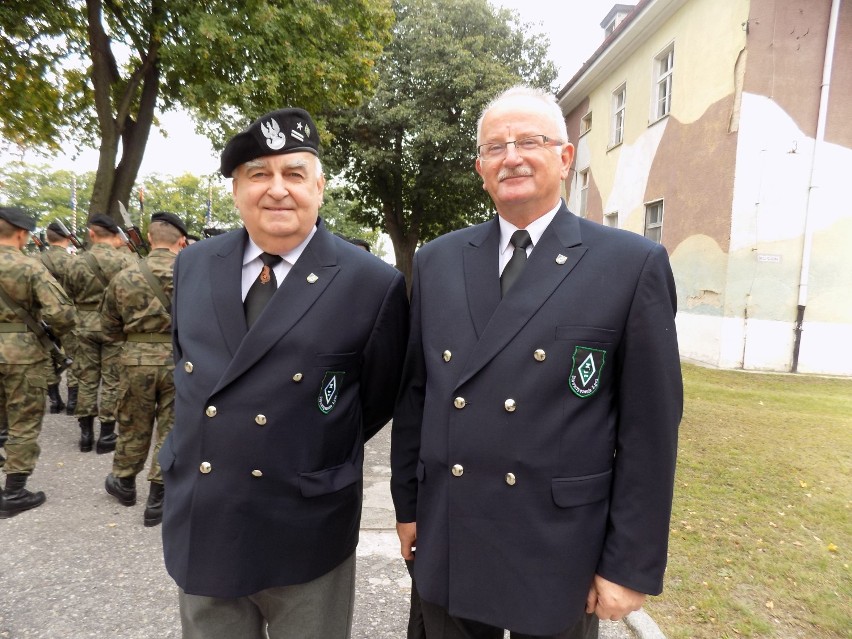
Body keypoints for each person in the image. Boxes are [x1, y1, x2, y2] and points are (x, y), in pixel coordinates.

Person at [390, 85, 683, 639]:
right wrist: (408, 506)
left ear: (565, 157)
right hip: (452, 531)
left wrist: (627, 564)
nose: (512, 157)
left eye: (529, 141)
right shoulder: (438, 261)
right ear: (480, 168)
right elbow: (417, 396)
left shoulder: (631, 264)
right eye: (495, 147)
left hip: (557, 546)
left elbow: (650, 430)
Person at [160, 107, 409, 638]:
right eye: (259, 174)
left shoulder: (371, 283)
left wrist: (302, 442)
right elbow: (189, 366)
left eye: (294, 174)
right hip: (207, 513)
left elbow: (376, 399)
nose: (277, 190)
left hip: (306, 524)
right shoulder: (194, 264)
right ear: (235, 190)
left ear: (319, 187)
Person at [101, 211, 188, 526]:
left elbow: (108, 325)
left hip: (135, 358)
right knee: (172, 426)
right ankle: (158, 497)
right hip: (179, 359)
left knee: (133, 422)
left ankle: (124, 483)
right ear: (181, 240)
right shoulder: (189, 274)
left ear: (150, 238)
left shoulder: (125, 275)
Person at [0, 207, 77, 518]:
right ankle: (14, 491)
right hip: (22, 354)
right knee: (23, 423)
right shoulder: (29, 268)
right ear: (22, 234)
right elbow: (62, 313)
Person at [65, 214, 137, 453]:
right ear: (115, 235)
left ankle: (85, 435)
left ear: (92, 234)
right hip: (114, 326)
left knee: (86, 377)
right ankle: (107, 435)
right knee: (112, 379)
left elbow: (68, 295)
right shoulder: (125, 261)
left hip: (84, 324)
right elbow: (131, 295)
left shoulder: (75, 262)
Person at [40, 221, 80, 415]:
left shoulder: (35, 261)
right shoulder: (73, 262)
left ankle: (55, 400)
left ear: (48, 238)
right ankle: (73, 402)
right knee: (74, 356)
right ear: (67, 238)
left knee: (48, 355)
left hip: (42, 316)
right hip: (67, 314)